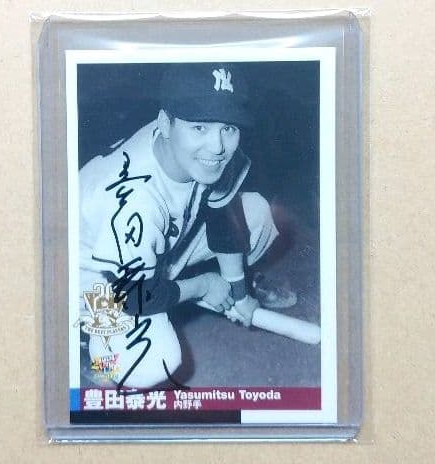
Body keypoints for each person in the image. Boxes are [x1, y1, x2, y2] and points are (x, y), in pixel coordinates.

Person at [79, 63, 294, 389]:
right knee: (151, 362)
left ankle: (216, 287)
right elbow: (132, 295)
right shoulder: (136, 198)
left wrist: (237, 291)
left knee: (256, 213)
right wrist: (204, 285)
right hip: (97, 281)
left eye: (228, 127)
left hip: (153, 248)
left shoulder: (201, 150)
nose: (217, 146)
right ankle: (88, 337)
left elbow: (223, 214)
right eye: (200, 127)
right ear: (165, 123)